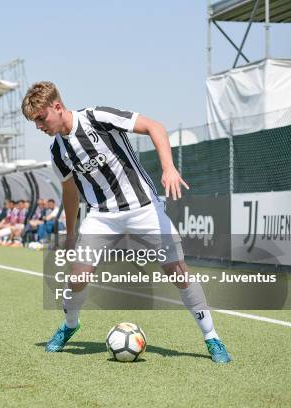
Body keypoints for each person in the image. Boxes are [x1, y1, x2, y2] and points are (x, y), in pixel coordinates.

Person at [22, 81, 230, 363]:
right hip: (101, 216)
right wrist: (70, 234)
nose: (39, 126)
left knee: (178, 271)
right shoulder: (58, 151)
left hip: (144, 207)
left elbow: (154, 127)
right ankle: (70, 326)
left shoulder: (98, 117)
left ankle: (211, 337)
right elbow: (70, 191)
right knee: (77, 277)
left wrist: (168, 168)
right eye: (34, 122)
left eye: (40, 118)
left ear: (57, 107)